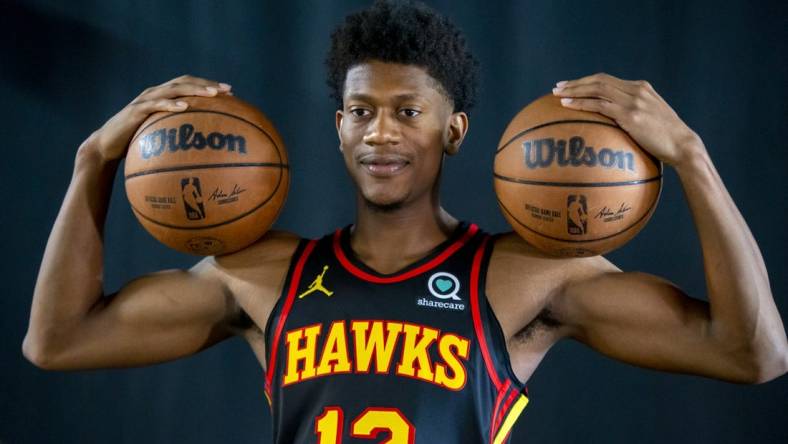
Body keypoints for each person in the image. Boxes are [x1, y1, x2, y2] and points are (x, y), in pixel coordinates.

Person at [23, 1, 787, 443]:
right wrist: (94, 159)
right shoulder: (264, 276)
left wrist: (690, 158)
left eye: (406, 112)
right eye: (360, 111)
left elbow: (754, 355)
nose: (379, 133)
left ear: (452, 130)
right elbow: (57, 342)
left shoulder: (527, 277)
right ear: (339, 127)